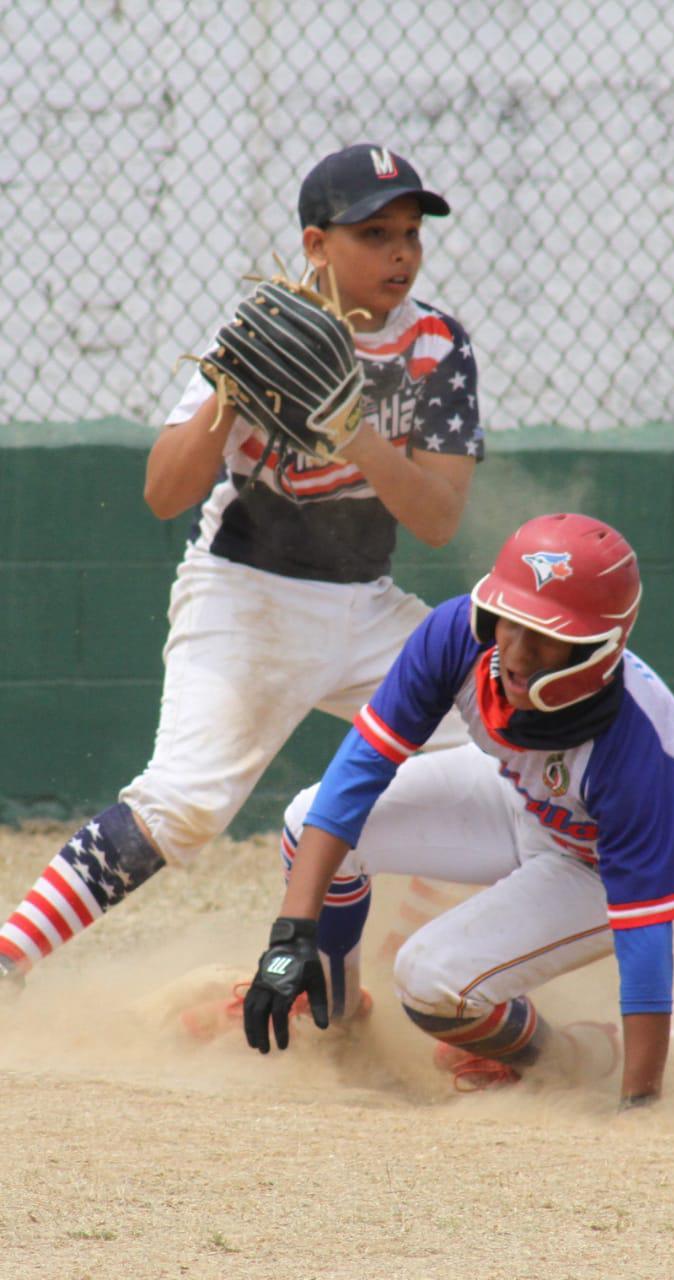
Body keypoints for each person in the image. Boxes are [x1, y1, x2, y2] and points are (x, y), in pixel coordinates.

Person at [0, 143, 482, 987]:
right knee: (181, 806)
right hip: (245, 593)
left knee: (495, 747)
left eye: (410, 231)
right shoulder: (259, 333)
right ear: (315, 244)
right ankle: (10, 958)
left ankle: (411, 968)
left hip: (367, 606)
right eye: (374, 233)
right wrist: (229, 386)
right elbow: (162, 492)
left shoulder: (437, 345)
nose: (401, 252)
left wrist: (354, 433)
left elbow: (438, 519)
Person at [242, 513, 674, 1110]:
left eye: (544, 633)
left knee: (431, 982)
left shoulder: (645, 754)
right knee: (308, 821)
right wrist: (289, 937)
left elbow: (646, 942)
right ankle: (334, 1021)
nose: (514, 650)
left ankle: (569, 1056)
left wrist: (640, 1105)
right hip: (520, 797)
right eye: (508, 620)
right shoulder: (458, 636)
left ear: (599, 646)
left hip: (594, 867)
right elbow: (355, 776)